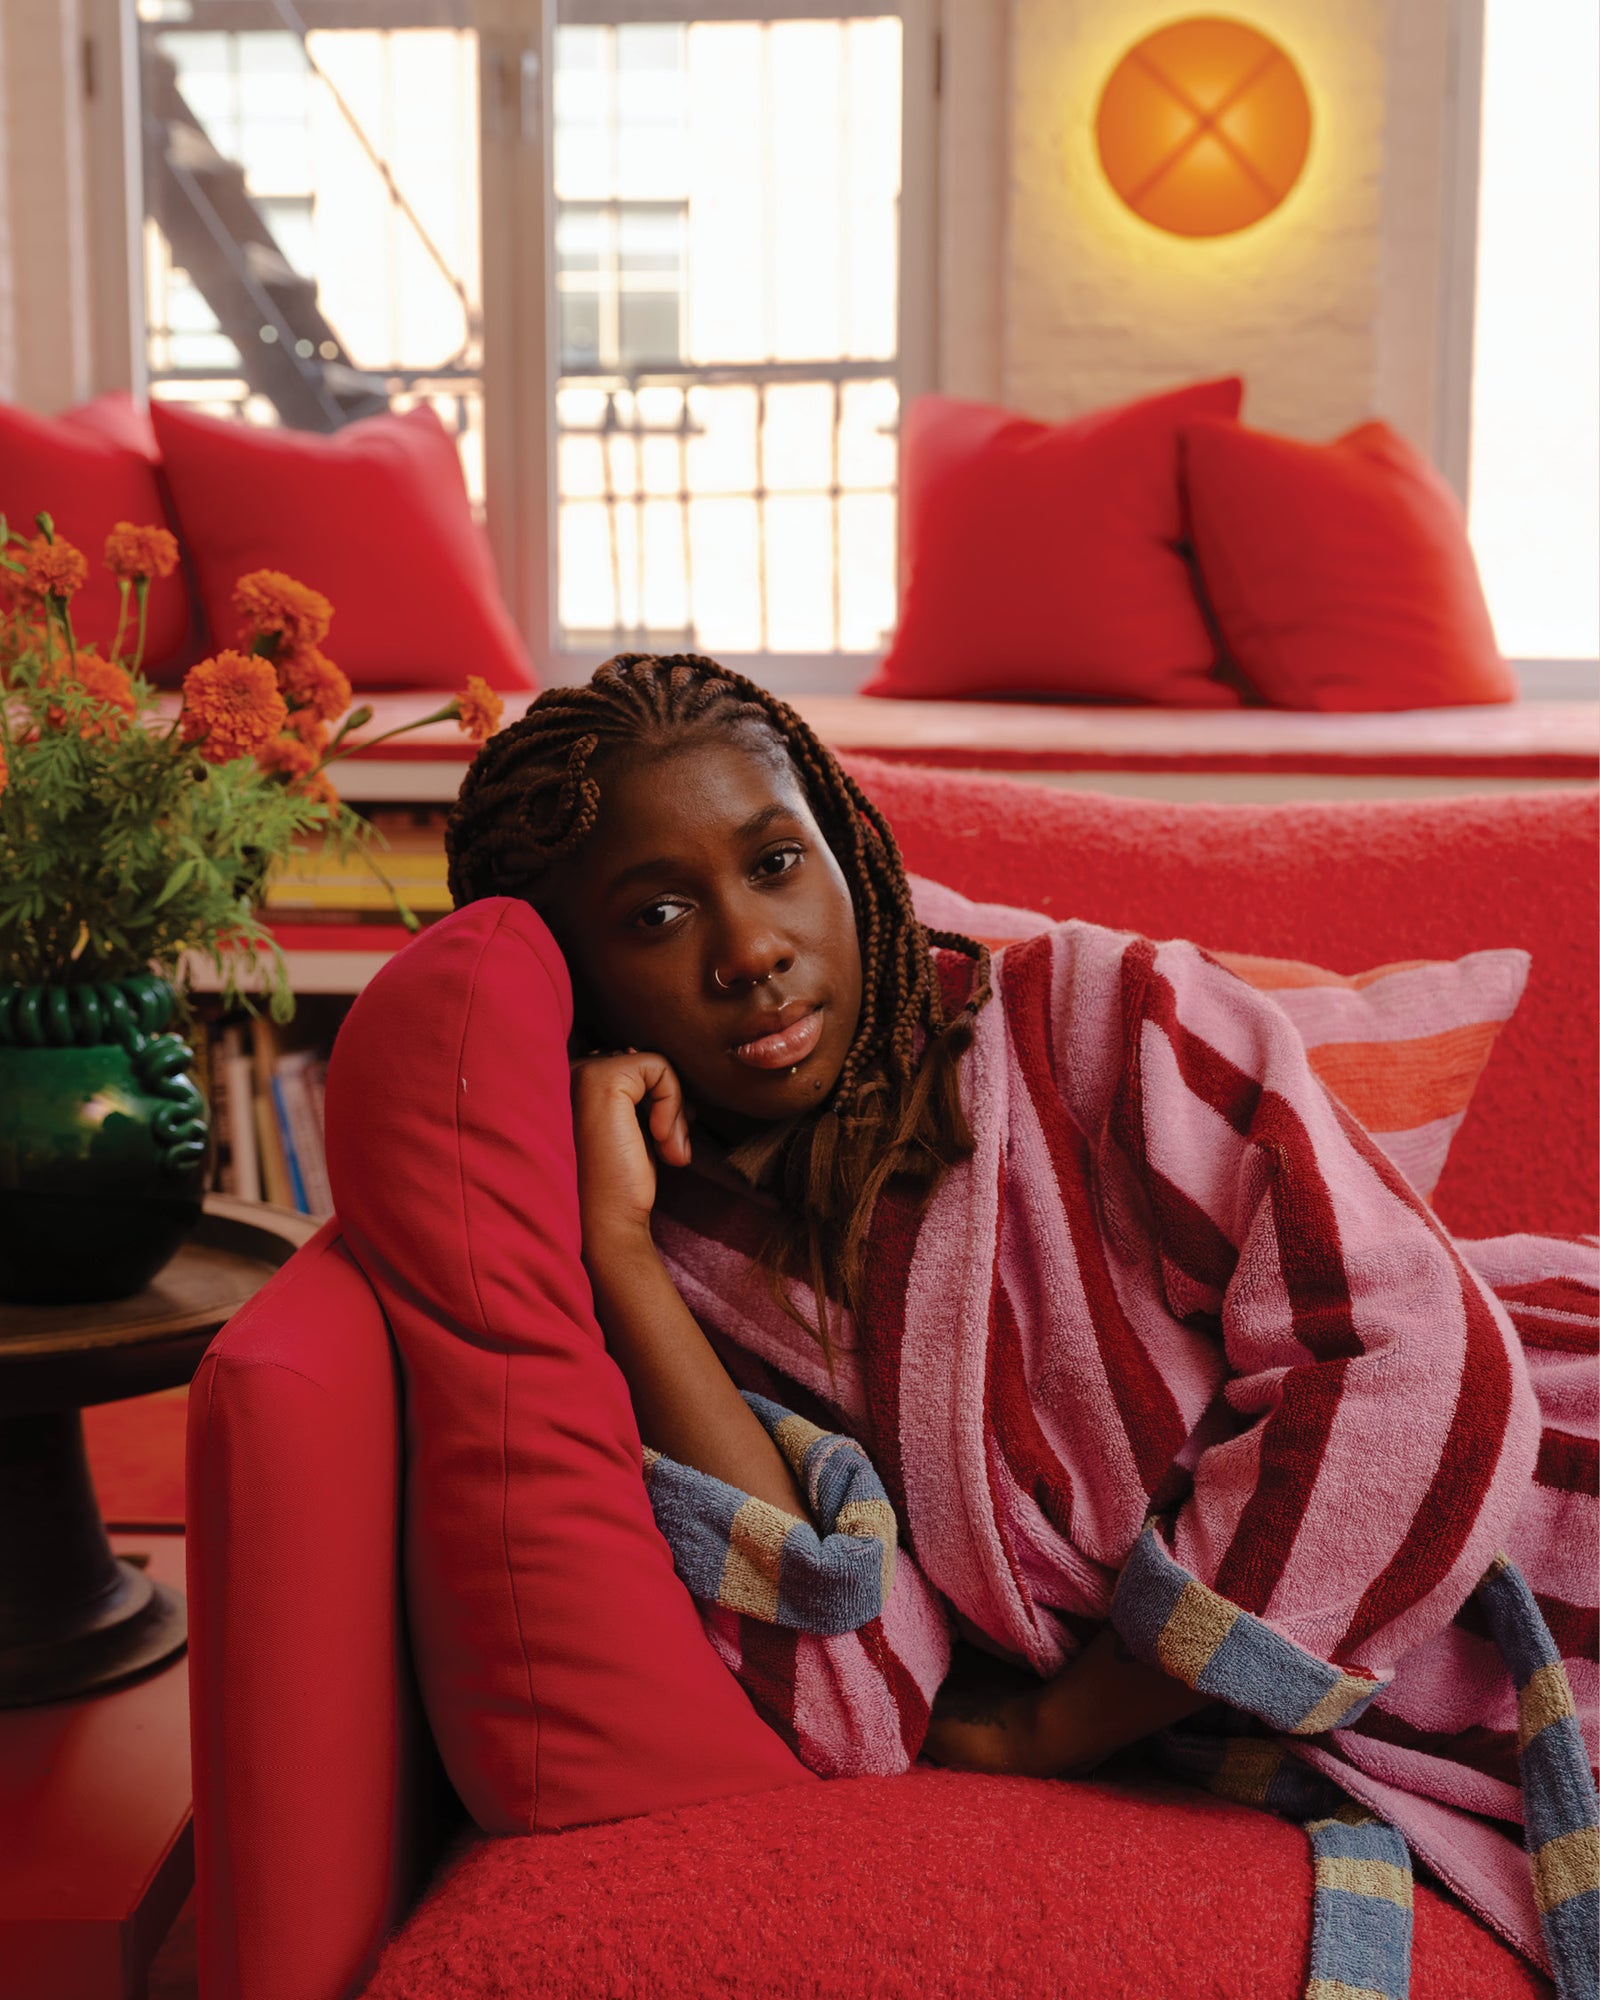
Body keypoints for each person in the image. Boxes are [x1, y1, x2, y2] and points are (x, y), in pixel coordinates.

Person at [443, 653, 1596, 1992]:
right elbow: (846, 1692)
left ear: (843, 844)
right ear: (576, 988)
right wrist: (623, 1258)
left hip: (1549, 1481)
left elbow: (1415, 1367)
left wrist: (1076, 1716)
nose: (751, 947)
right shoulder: (690, 1263)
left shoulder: (1107, 1019)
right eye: (653, 915)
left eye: (774, 862)